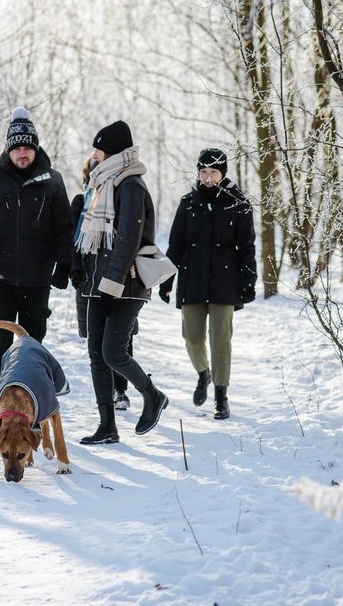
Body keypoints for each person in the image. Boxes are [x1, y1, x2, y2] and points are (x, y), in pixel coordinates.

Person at [74, 120, 168, 444]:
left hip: (125, 286)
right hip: (99, 283)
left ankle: (153, 396)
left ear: (110, 150)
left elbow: (128, 240)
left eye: (97, 148)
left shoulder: (130, 186)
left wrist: (110, 283)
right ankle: (107, 426)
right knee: (97, 356)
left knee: (114, 353)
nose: (94, 155)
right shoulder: (103, 185)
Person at [0, 107, 74, 393]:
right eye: (18, 148)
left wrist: (64, 263)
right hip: (1, 277)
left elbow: (65, 225)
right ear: (8, 149)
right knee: (2, 342)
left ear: (36, 148)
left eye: (29, 147)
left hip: (38, 279)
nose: (23, 153)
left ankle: (29, 403)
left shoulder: (52, 179)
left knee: (32, 345)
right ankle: (1, 406)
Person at [158, 148, 256, 420]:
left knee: (220, 340)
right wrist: (167, 281)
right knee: (192, 338)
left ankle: (221, 397)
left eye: (213, 171)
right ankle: (204, 373)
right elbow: (175, 244)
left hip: (226, 281)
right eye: (203, 171)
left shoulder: (238, 203)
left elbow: (247, 246)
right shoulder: (188, 202)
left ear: (222, 173)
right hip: (192, 278)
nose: (208, 177)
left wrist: (248, 281)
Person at [71, 153, 136, 412]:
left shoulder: (121, 196)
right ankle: (106, 395)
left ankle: (121, 390)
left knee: (121, 340)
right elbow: (73, 240)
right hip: (88, 280)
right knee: (95, 343)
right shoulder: (81, 202)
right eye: (93, 170)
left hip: (117, 279)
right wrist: (75, 269)